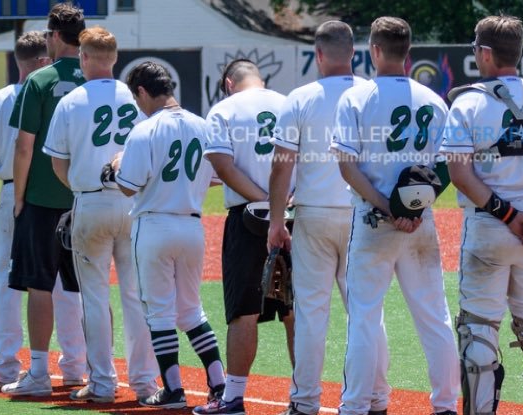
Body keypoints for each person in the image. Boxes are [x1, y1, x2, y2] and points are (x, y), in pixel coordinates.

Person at [330, 16, 459, 415]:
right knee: (435, 318)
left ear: (374, 50)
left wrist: (389, 208)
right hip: (420, 226)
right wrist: (415, 210)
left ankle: (355, 406)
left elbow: (347, 167)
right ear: (408, 53)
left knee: (365, 319)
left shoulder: (356, 97)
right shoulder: (433, 100)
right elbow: (448, 166)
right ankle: (446, 405)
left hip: (372, 223)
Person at [443, 14, 523, 415]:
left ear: (485, 53)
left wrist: (509, 216)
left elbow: (459, 173)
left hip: (490, 228)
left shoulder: (469, 101)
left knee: (479, 333)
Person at [267, 21, 391, 415]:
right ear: (355, 52)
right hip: (363, 213)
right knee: (367, 313)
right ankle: (376, 399)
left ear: (318, 54)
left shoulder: (300, 97)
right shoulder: (373, 94)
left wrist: (274, 221)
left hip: (314, 215)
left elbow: (280, 166)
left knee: (311, 314)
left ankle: (304, 402)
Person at [42, 26, 160, 403]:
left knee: (93, 298)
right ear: (115, 59)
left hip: (90, 200)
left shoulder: (72, 100)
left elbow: (58, 163)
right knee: (135, 296)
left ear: (84, 58)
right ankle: (144, 384)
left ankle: (104, 384)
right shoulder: (135, 97)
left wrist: (77, 188)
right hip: (132, 202)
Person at [113, 61, 228, 410]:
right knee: (192, 310)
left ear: (144, 92)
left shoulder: (144, 130)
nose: (138, 104)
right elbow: (215, 176)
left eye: (137, 97)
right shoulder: (203, 125)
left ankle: (174, 390)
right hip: (192, 224)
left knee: (160, 313)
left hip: (154, 225)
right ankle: (220, 385)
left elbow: (128, 187)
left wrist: (116, 167)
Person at [2, 2, 91, 396]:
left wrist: (18, 197)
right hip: (86, 199)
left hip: (41, 197)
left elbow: (24, 147)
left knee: (40, 286)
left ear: (54, 35)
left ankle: (38, 372)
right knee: (83, 289)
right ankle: (82, 367)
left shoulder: (39, 81)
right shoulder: (99, 79)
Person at [197, 57, 291, 414]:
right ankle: (303, 395)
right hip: (294, 214)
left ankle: (234, 396)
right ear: (261, 78)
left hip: (248, 218)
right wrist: (281, 204)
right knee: (294, 311)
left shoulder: (223, 109)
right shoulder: (289, 103)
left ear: (228, 83)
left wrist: (264, 201)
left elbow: (223, 165)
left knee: (244, 311)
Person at [0, 30, 51, 390]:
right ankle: (74, 363)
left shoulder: (0, 99)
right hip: (53, 195)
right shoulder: (55, 94)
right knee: (61, 283)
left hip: (9, 193)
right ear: (39, 61)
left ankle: (5, 366)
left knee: (6, 282)